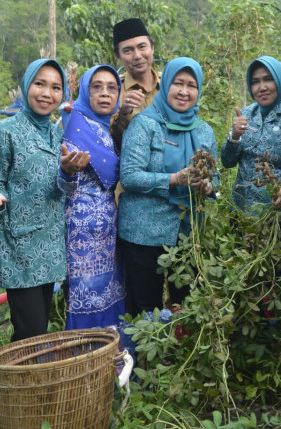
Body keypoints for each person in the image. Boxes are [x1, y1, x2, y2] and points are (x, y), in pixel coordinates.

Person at [0, 59, 90, 341]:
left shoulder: (56, 133)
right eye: (39, 84)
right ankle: (22, 383)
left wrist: (69, 172)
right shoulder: (4, 132)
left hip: (50, 247)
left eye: (55, 87)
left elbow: (63, 188)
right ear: (27, 85)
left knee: (40, 331)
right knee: (30, 334)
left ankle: (33, 382)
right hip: (21, 251)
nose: (46, 93)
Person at [117, 57, 217, 315]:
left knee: (186, 307)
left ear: (199, 90)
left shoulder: (204, 131)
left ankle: (179, 355)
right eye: (178, 83)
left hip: (187, 234)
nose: (184, 91)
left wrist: (207, 186)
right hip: (144, 233)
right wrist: (174, 179)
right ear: (165, 86)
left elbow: (213, 179)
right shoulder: (145, 124)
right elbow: (129, 176)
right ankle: (144, 357)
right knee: (144, 310)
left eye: (192, 85)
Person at [60, 64, 126, 329]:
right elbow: (60, 181)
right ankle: (85, 361)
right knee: (83, 296)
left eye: (112, 88)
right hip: (80, 233)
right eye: (96, 87)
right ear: (85, 91)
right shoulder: (71, 123)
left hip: (110, 231)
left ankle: (114, 362)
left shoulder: (111, 130)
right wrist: (67, 171)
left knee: (113, 293)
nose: (105, 93)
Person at [221, 56, 281, 259]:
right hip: (242, 209)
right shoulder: (246, 114)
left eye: (268, 79)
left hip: (278, 214)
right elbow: (228, 161)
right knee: (243, 273)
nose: (261, 87)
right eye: (255, 82)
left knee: (276, 275)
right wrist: (234, 136)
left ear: (280, 80)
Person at [110, 18, 161, 149]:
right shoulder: (111, 91)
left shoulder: (170, 85)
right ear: (117, 55)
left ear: (152, 48)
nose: (137, 56)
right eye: (128, 50)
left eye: (142, 47)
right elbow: (109, 140)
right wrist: (124, 113)